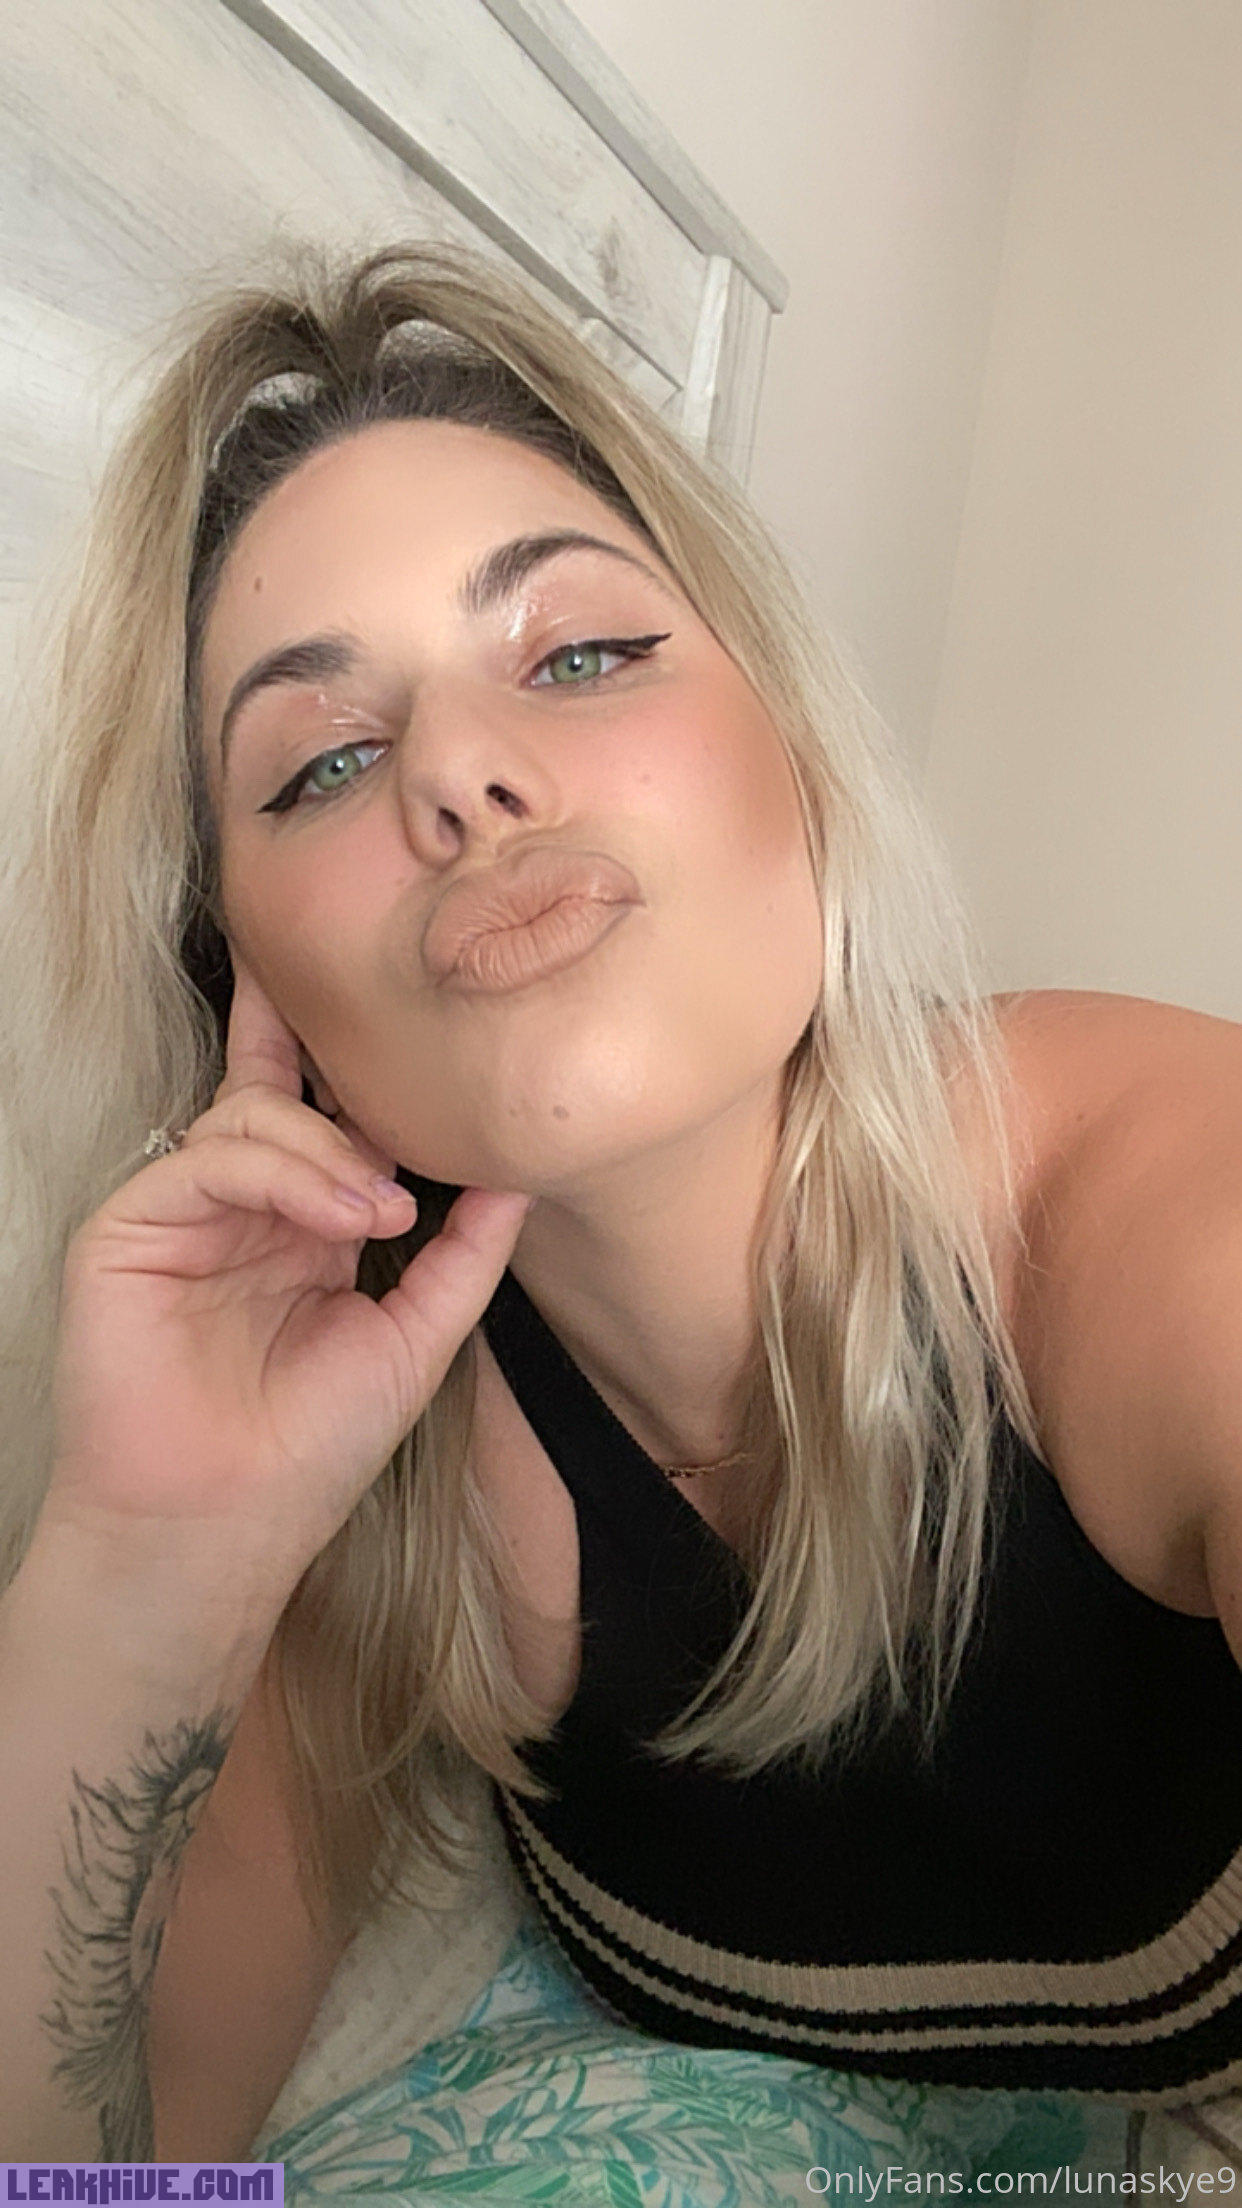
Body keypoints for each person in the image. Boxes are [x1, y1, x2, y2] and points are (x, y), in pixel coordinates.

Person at [0, 240, 1239, 2177]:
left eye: (579, 655)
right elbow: (110, 2175)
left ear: (791, 743)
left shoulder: (1155, 1210)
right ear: (248, 985)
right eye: (325, 761)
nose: (460, 775)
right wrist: (135, 1572)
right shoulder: (354, 1476)